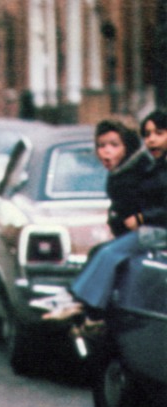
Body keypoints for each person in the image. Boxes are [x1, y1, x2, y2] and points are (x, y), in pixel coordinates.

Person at [41, 110, 167, 323]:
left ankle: (84, 303)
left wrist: (142, 218)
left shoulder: (146, 170)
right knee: (101, 252)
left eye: (159, 132)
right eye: (147, 134)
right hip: (151, 228)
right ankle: (82, 303)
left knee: (109, 253)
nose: (152, 139)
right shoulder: (151, 167)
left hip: (157, 230)